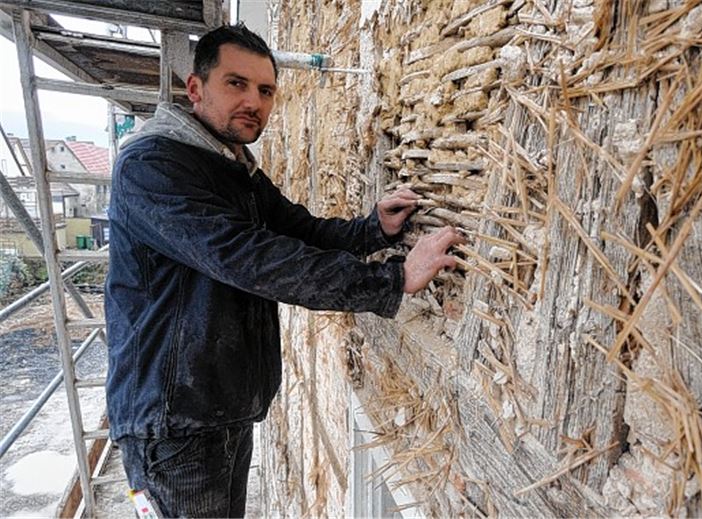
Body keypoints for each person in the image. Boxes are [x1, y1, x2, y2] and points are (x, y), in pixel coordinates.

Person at [104, 24, 463, 517]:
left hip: (215, 409)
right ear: (195, 88)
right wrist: (393, 279)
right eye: (237, 83)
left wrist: (372, 230)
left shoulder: (232, 166)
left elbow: (298, 230)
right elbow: (252, 258)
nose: (254, 100)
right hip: (170, 424)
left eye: (266, 90)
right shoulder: (152, 167)